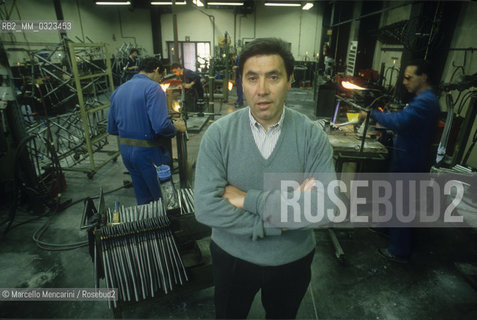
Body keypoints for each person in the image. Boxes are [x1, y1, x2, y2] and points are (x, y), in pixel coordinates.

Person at [194, 38, 335, 319]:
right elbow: (206, 207)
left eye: (273, 77)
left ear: (290, 80)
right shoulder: (219, 135)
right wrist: (286, 212)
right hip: (232, 259)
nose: (262, 90)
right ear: (241, 83)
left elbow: (324, 208)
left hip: (291, 261)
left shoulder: (312, 137)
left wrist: (247, 198)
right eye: (252, 78)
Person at [359, 59, 440, 263]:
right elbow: (404, 117)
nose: (404, 82)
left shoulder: (426, 101)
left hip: (411, 160)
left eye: (408, 77)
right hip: (405, 155)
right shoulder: (422, 99)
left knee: (402, 204)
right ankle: (386, 229)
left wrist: (373, 113)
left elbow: (401, 122)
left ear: (424, 77)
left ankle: (399, 250)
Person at [108, 57, 186, 205]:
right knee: (165, 199)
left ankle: (148, 225)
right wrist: (176, 127)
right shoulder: (153, 88)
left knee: (144, 199)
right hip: (149, 154)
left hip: (126, 153)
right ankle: (166, 226)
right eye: (161, 76)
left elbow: (112, 128)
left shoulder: (118, 90)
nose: (160, 80)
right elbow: (161, 126)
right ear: (156, 70)